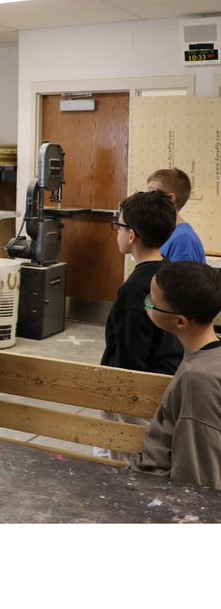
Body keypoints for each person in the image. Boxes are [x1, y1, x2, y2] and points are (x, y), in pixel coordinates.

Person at [95, 190, 183, 462]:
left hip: (133, 396)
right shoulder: (170, 272)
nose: (117, 232)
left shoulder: (134, 290)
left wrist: (119, 396)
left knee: (125, 461)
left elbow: (129, 359)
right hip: (164, 385)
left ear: (131, 235)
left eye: (118, 226)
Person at [129, 261, 221, 490]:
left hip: (158, 487)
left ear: (180, 321)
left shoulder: (197, 379)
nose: (147, 303)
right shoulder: (208, 356)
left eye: (153, 301)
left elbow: (197, 475)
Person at [146, 167, 205, 263]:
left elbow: (178, 277)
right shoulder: (165, 234)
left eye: (152, 192)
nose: (146, 198)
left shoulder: (183, 239)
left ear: (170, 198)